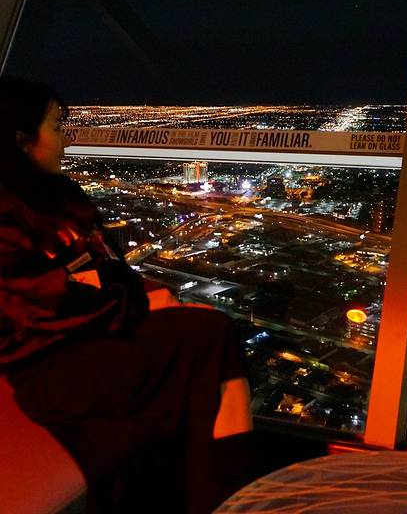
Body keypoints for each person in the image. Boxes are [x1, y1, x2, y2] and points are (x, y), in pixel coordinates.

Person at [0, 76, 253, 513]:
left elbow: (106, 270)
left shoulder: (62, 197)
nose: (66, 141)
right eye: (56, 127)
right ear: (21, 140)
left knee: (207, 336)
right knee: (208, 337)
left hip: (95, 332)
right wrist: (134, 303)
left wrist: (136, 296)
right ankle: (229, 489)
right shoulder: (9, 212)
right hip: (47, 361)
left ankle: (223, 488)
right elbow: (42, 303)